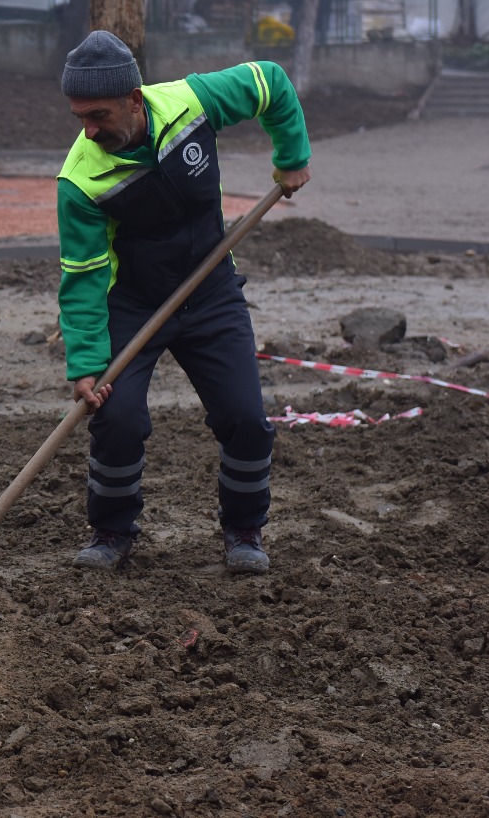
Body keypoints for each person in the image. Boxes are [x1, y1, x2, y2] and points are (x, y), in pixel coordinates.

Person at [56, 30, 311, 574]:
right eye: (80, 116)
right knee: (116, 418)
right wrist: (84, 364)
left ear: (133, 98)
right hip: (134, 303)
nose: (88, 129)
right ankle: (111, 531)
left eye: (98, 115)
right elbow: (81, 276)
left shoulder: (190, 104)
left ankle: (245, 531)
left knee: (244, 417)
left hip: (211, 290)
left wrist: (292, 154)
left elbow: (270, 82)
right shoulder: (81, 178)